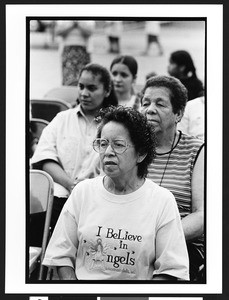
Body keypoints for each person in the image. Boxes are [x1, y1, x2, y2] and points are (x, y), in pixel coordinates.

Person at [42, 106, 189, 281]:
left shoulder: (162, 201)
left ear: (141, 153)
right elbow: (61, 256)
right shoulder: (83, 192)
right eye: (103, 144)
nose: (108, 152)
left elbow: (170, 269)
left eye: (118, 145)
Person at [31, 63, 118, 230]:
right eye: (81, 86)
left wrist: (86, 191)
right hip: (60, 196)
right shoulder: (62, 119)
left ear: (107, 91)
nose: (84, 93)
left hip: (99, 199)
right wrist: (71, 185)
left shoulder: (114, 125)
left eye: (92, 88)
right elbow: (45, 157)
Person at [140, 75, 204, 281]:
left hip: (180, 244)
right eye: (145, 103)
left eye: (160, 104)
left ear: (178, 113)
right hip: (131, 242)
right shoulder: (132, 148)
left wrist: (158, 238)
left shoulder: (197, 151)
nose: (150, 109)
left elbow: (201, 216)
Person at [55, 20, 95, 86]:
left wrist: (79, 24)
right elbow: (58, 32)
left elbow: (90, 32)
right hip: (68, 50)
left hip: (82, 51)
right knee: (68, 78)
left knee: (83, 77)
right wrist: (71, 25)